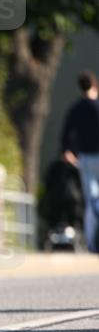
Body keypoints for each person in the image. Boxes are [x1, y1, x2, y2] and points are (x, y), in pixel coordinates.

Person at [60, 70, 99, 253]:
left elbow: (66, 135)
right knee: (94, 201)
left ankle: (92, 244)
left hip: (84, 158)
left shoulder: (76, 109)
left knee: (91, 200)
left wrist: (67, 152)